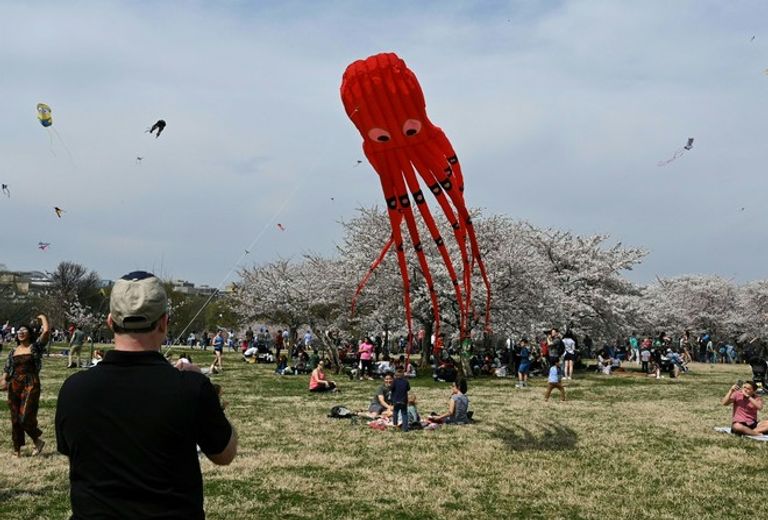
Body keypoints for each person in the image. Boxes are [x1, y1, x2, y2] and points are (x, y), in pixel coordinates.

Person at [55, 271, 237, 519]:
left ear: (110, 322)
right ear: (164, 323)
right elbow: (224, 454)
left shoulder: (73, 389)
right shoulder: (191, 388)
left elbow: (73, 455)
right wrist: (209, 395)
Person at [2, 315, 50, 457]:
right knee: (15, 417)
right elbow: (7, 368)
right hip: (15, 384)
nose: (20, 332)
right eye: (18, 331)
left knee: (25, 416)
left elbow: (46, 332)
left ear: (29, 333)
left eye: (24, 330)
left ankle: (37, 440)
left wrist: (43, 318)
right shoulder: (13, 351)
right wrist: (4, 380)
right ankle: (17, 450)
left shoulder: (35, 347)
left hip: (31, 383)